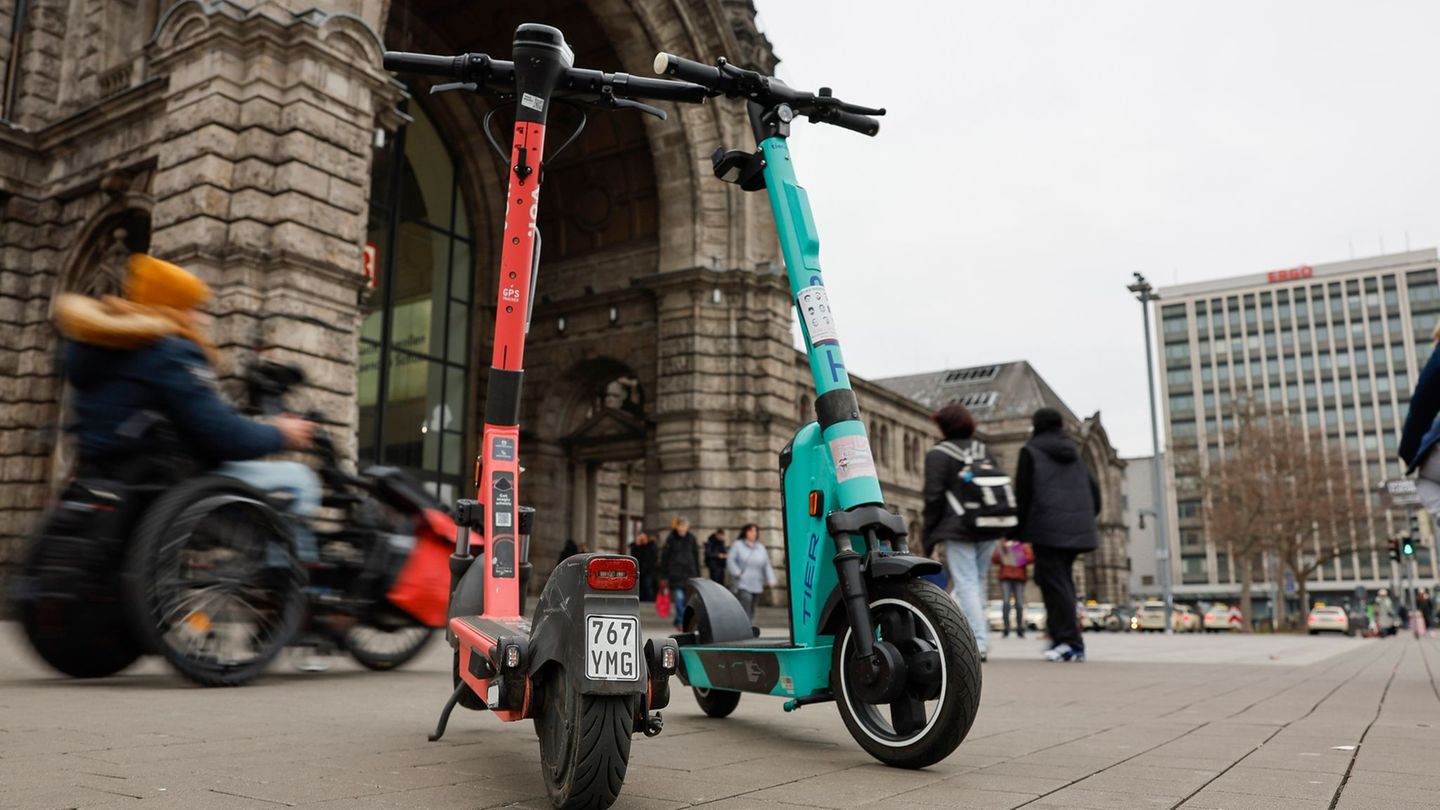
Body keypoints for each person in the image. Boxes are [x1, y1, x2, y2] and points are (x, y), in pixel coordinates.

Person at [56, 253, 318, 554]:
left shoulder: (96, 353)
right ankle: (292, 584)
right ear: (173, 306)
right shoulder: (170, 352)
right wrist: (281, 433)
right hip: (170, 483)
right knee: (301, 481)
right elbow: (224, 436)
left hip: (113, 484)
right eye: (193, 308)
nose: (199, 318)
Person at [922, 402, 1011, 663]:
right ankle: (961, 632)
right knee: (976, 581)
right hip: (990, 524)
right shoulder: (983, 450)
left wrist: (929, 534)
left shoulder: (939, 454)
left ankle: (978, 642)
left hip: (959, 526)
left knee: (966, 582)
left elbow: (934, 496)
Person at [1015, 407, 1100, 663]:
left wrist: (1018, 531)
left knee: (1055, 584)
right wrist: (1083, 518)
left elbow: (1023, 494)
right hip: (1076, 529)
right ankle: (1062, 637)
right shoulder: (1075, 455)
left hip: (1047, 529)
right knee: (1059, 582)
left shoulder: (1031, 451)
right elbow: (1095, 493)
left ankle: (1070, 643)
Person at [726, 524, 777, 621]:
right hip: (742, 582)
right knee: (746, 603)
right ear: (745, 532)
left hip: (757, 583)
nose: (754, 533)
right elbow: (730, 560)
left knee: (753, 607)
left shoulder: (761, 547)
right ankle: (745, 627)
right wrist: (737, 572)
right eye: (751, 531)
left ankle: (749, 626)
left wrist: (771, 579)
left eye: (755, 531)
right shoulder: (738, 545)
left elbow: (767, 565)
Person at [658, 518, 701, 631]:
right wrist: (663, 576)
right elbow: (665, 558)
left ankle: (679, 620)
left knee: (687, 600)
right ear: (677, 527)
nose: (682, 528)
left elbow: (696, 556)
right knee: (679, 598)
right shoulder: (671, 539)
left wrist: (698, 574)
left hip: (689, 573)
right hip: (675, 574)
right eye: (681, 526)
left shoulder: (691, 539)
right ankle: (681, 621)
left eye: (685, 526)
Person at [992, 539, 1032, 639]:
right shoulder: (1003, 545)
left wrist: (1018, 554)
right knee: (1006, 603)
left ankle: (1020, 628)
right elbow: (995, 559)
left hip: (1019, 578)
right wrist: (1004, 551)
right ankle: (1006, 628)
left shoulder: (1022, 545)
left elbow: (1030, 558)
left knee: (1019, 604)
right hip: (1006, 577)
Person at [630, 531, 658, 602]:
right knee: (640, 588)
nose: (642, 539)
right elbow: (634, 558)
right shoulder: (637, 547)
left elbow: (653, 558)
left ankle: (650, 602)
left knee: (648, 587)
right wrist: (636, 546)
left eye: (643, 537)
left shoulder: (651, 546)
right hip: (639, 571)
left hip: (649, 571)